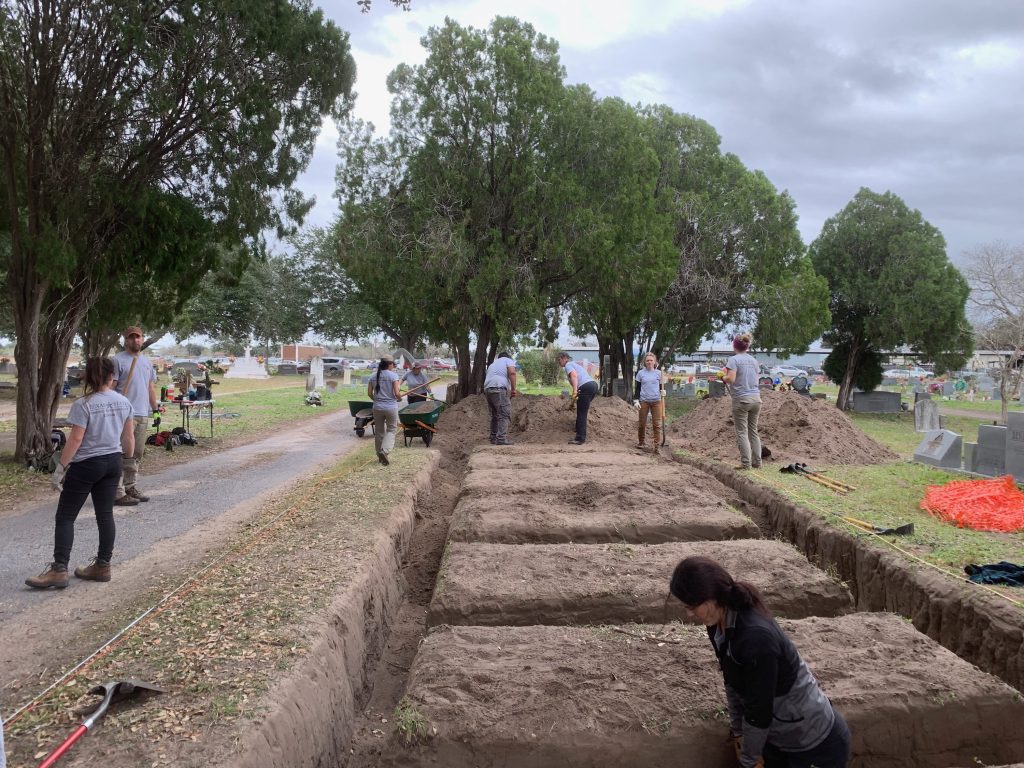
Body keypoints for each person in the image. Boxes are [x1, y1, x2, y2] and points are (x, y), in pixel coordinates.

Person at [670, 556, 851, 768]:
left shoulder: (756, 638)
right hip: (779, 740)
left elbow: (759, 712)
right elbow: (732, 680)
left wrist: (748, 761)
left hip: (815, 747)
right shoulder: (718, 624)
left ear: (711, 596)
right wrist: (738, 733)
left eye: (692, 606)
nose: (689, 614)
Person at [25, 357, 135, 589]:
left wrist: (61, 468)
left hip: (87, 463)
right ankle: (103, 565)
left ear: (89, 377)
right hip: (113, 461)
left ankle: (59, 569)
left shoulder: (83, 404)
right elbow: (128, 437)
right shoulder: (124, 402)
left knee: (65, 516)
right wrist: (128, 462)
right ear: (110, 376)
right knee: (105, 515)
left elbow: (76, 439)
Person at [112, 326, 158, 506]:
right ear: (125, 340)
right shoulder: (117, 360)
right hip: (123, 414)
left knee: (137, 453)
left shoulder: (146, 362)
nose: (135, 341)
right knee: (122, 452)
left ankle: (130, 486)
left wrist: (155, 410)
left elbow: (149, 388)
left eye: (138, 337)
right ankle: (117, 491)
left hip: (141, 412)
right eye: (131, 338)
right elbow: (111, 385)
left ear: (142, 339)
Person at [723, 333, 762, 470]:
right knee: (753, 431)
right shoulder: (754, 361)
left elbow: (731, 379)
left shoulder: (734, 360)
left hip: (741, 399)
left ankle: (746, 464)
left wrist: (723, 376)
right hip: (756, 399)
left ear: (734, 346)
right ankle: (757, 462)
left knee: (742, 432)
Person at [558, 352, 599, 445]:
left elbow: (574, 376)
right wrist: (575, 393)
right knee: (581, 410)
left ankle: (580, 438)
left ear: (564, 358)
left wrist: (575, 391)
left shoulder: (568, 365)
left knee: (581, 413)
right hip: (592, 385)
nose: (558, 362)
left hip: (585, 387)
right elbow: (576, 379)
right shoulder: (574, 364)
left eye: (559, 360)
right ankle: (577, 428)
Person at [368, 355, 401, 466]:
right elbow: (396, 393)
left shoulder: (372, 376)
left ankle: (379, 455)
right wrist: (400, 398)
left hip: (377, 407)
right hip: (391, 407)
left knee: (379, 431)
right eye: (393, 364)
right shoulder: (393, 376)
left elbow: (369, 393)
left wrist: (377, 400)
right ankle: (385, 451)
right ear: (390, 364)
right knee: (391, 429)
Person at [483, 351, 517, 445]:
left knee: (495, 415)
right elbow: (512, 373)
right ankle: (501, 439)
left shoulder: (493, 364)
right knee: (504, 414)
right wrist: (514, 389)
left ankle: (493, 438)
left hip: (488, 389)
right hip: (498, 388)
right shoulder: (508, 361)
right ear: (508, 357)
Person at [634, 353, 665, 450]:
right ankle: (641, 442)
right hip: (644, 401)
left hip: (657, 401)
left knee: (657, 424)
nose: (649, 362)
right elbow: (638, 388)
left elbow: (661, 387)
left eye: (651, 360)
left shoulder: (659, 373)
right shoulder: (640, 373)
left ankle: (657, 445)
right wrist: (636, 400)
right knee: (642, 423)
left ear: (654, 362)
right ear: (645, 362)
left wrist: (663, 392)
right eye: (647, 360)